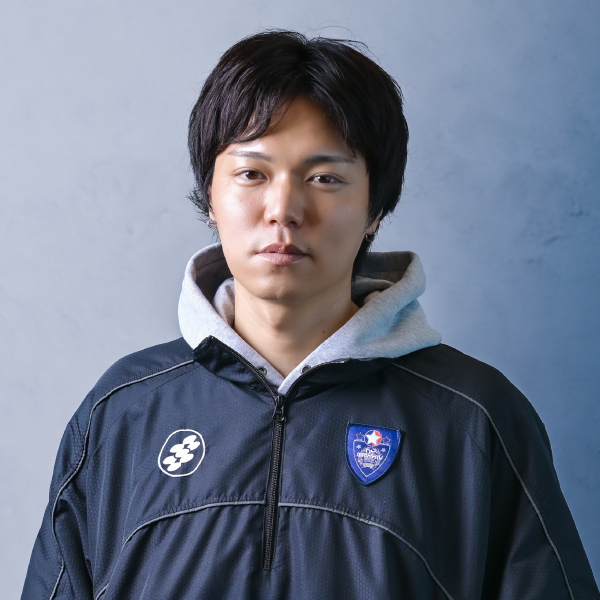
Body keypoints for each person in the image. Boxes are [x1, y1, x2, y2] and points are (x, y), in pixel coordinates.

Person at [22, 30, 598, 600]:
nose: (284, 209)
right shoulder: (121, 412)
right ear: (210, 196)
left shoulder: (474, 419)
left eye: (325, 178)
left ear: (375, 209)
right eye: (252, 174)